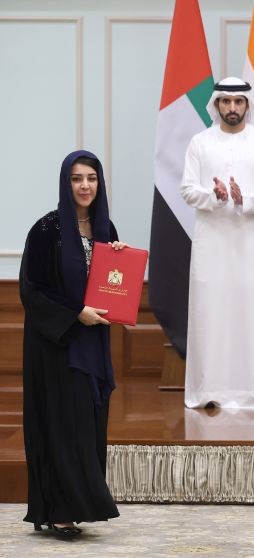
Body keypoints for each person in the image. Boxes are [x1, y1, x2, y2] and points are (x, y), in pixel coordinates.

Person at [20, 150, 125, 538]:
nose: (85, 186)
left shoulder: (105, 228)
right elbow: (32, 290)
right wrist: (75, 313)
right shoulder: (46, 230)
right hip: (56, 346)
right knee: (62, 424)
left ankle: (79, 506)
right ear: (66, 183)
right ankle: (58, 510)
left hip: (91, 344)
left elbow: (111, 284)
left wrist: (119, 262)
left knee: (87, 423)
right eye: (77, 178)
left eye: (91, 178)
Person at [181, 77, 254, 409]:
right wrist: (214, 195)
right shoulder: (200, 143)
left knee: (253, 314)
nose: (232, 107)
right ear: (216, 104)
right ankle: (209, 389)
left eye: (238, 102)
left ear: (247, 105)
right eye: (225, 101)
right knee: (210, 313)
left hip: (252, 244)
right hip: (211, 243)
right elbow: (187, 189)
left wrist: (245, 199)